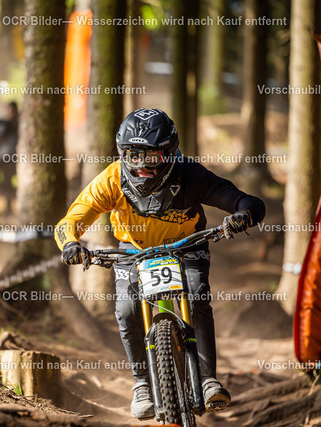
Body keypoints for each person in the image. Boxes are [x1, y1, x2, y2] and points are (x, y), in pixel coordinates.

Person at [54, 108, 265, 419]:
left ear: (170, 151)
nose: (142, 167)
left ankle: (208, 379)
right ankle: (141, 384)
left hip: (186, 246)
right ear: (121, 152)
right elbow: (69, 221)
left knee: (196, 296)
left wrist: (241, 215)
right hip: (133, 250)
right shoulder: (112, 179)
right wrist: (71, 243)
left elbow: (244, 200)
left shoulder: (191, 175)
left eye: (151, 157)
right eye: (133, 155)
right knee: (126, 310)